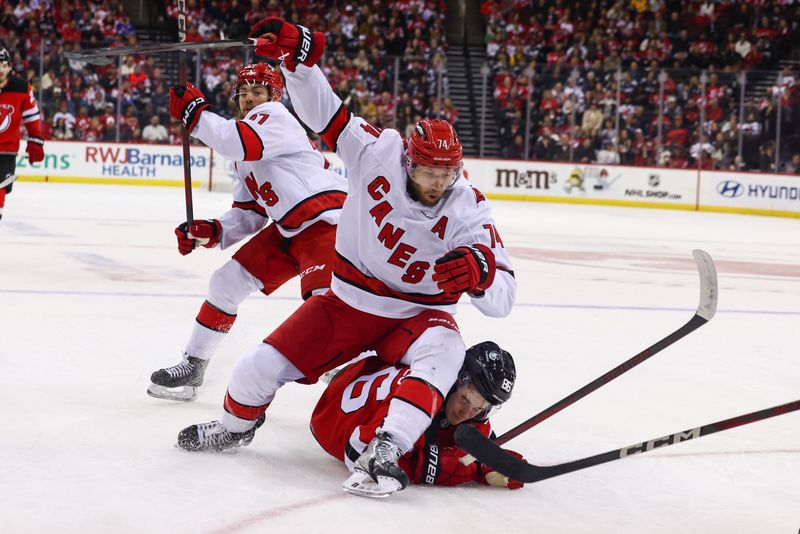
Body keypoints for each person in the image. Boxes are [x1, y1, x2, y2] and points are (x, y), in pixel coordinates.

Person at [175, 19, 516, 498]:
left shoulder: (469, 207)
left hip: (419, 313)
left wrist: (481, 275)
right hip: (348, 301)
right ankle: (235, 426)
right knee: (257, 367)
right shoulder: (378, 154)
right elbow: (328, 116)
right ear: (408, 162)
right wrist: (298, 64)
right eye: (428, 171)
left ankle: (387, 449)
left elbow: (503, 294)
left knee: (446, 351)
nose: (438, 182)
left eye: (447, 173)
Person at [148, 63, 347, 401]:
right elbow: (250, 213)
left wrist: (196, 114)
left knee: (323, 308)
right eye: (244, 93)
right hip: (289, 229)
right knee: (226, 282)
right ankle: (194, 365)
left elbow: (232, 140)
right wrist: (209, 231)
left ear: (273, 95)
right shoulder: (244, 150)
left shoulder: (274, 118)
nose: (251, 98)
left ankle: (350, 379)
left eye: (258, 91)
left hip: (326, 223)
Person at [312, 340, 525, 496]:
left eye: (479, 409)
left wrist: (493, 459)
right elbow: (360, 453)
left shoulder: (454, 397)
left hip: (369, 372)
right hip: (330, 417)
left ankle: (337, 373)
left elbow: (470, 438)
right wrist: (467, 470)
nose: (466, 415)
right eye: (465, 400)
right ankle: (335, 374)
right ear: (457, 381)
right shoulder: (411, 403)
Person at [0, 47, 45, 227]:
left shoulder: (21, 87)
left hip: (7, 150)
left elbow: (31, 115)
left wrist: (35, 139)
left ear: (10, 67)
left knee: (1, 186)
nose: (0, 69)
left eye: (4, 64)